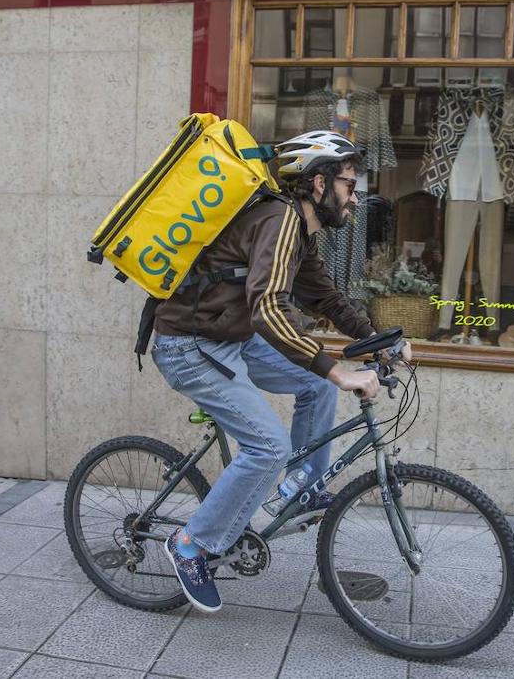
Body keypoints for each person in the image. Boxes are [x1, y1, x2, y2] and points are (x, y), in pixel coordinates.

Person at [151, 129, 411, 613]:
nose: (355, 199)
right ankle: (190, 545)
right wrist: (338, 370)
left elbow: (325, 298)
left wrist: (382, 340)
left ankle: (303, 485)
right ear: (318, 184)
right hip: (190, 344)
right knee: (268, 444)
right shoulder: (280, 220)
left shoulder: (299, 231)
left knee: (313, 385)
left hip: (231, 338)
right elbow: (269, 307)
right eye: (348, 186)